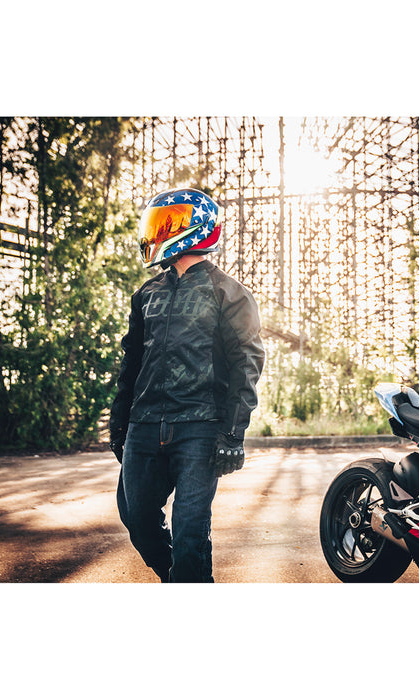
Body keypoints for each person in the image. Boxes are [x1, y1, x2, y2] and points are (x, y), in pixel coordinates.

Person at [109, 187, 265, 582]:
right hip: (144, 426)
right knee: (137, 518)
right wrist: (119, 421)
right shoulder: (146, 294)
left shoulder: (229, 293)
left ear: (195, 228)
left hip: (199, 427)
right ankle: (177, 578)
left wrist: (233, 434)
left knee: (190, 532)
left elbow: (247, 363)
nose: (157, 231)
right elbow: (132, 363)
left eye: (168, 223)